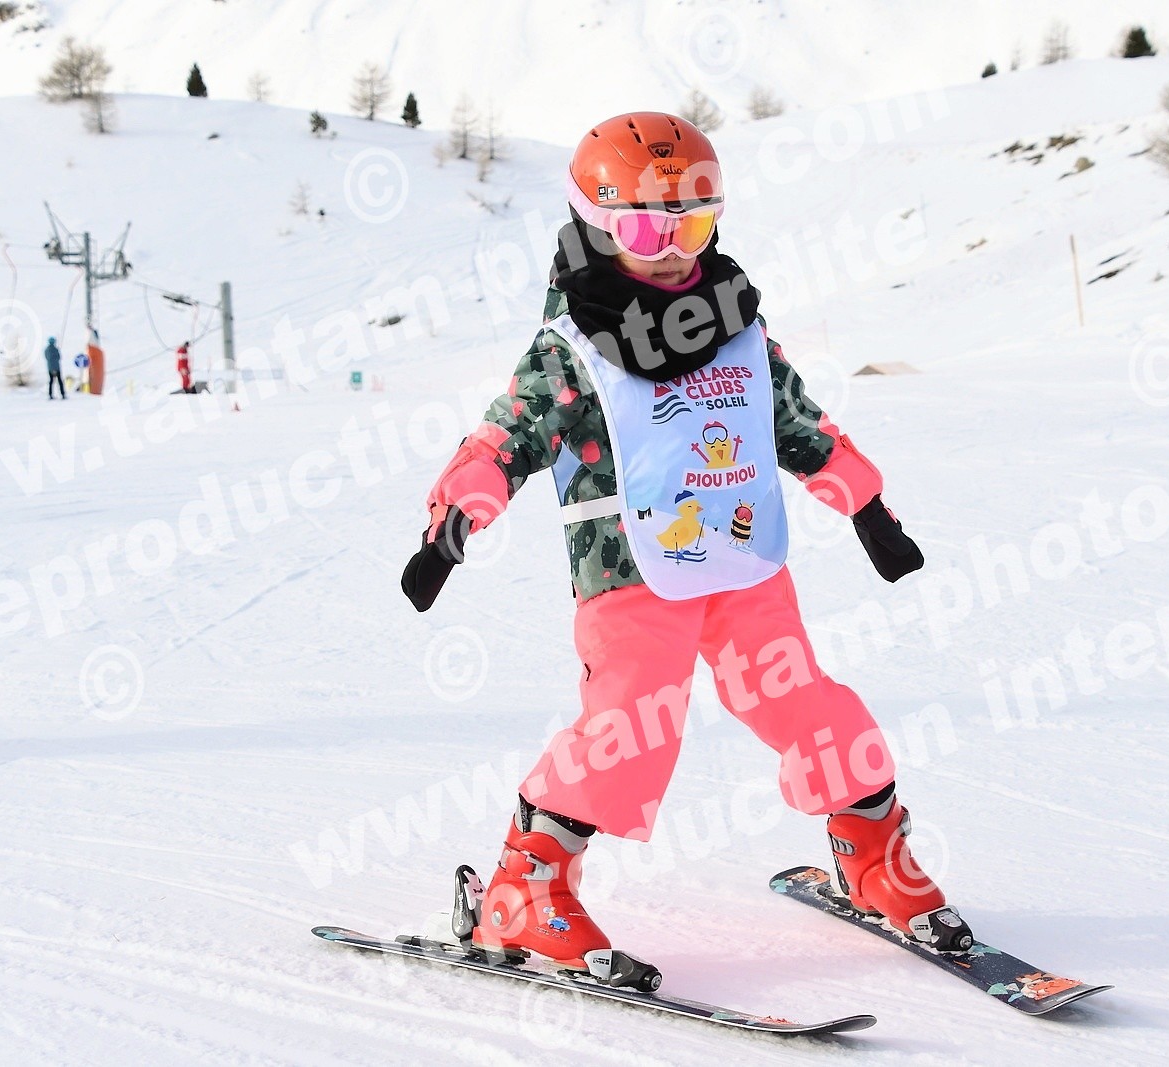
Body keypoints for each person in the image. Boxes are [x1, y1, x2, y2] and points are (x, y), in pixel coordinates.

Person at [402, 112, 971, 986]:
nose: (671, 250)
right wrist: (456, 515)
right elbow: (506, 437)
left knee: (807, 705)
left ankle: (871, 852)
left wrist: (865, 503)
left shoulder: (736, 326)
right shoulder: (572, 346)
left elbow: (795, 421)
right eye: (644, 230)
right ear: (597, 226)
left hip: (743, 561)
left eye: (693, 225)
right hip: (629, 572)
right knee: (631, 725)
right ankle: (526, 885)